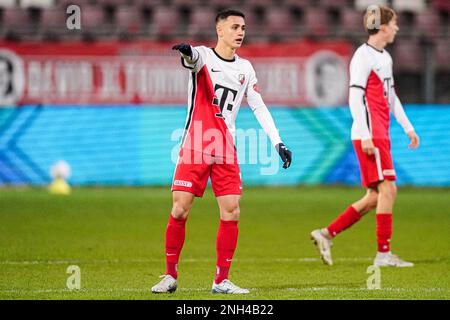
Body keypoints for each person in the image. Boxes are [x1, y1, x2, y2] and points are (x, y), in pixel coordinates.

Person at [151, 9, 292, 294]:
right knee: (179, 209)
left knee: (232, 211)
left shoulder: (246, 68)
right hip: (197, 142)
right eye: (234, 27)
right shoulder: (204, 56)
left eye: (243, 27)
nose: (240, 32)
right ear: (220, 30)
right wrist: (187, 52)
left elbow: (259, 106)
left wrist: (278, 142)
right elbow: (192, 58)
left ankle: (221, 280)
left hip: (225, 146)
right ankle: (169, 276)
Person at [310, 5, 419, 267]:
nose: (397, 28)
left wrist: (408, 127)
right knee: (389, 189)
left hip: (380, 132)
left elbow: (390, 97)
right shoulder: (363, 56)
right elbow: (355, 96)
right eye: (393, 23)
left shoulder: (385, 57)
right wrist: (366, 132)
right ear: (382, 27)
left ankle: (326, 234)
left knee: (375, 196)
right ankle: (383, 254)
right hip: (371, 134)